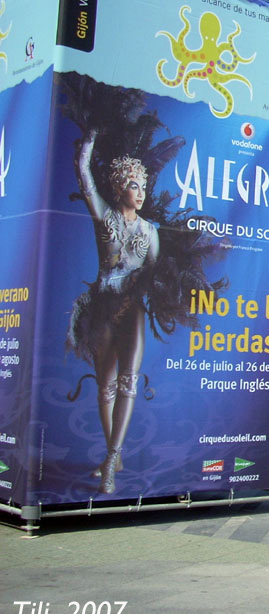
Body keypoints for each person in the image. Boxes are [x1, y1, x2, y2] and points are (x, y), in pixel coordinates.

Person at [68, 129, 160, 495]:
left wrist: (137, 285)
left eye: (143, 186)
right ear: (120, 187)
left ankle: (111, 460)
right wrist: (89, 140)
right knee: (105, 386)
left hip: (131, 309)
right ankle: (113, 454)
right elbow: (84, 175)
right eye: (134, 185)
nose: (140, 192)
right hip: (102, 306)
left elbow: (154, 274)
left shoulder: (151, 231)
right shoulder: (104, 216)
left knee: (128, 382)